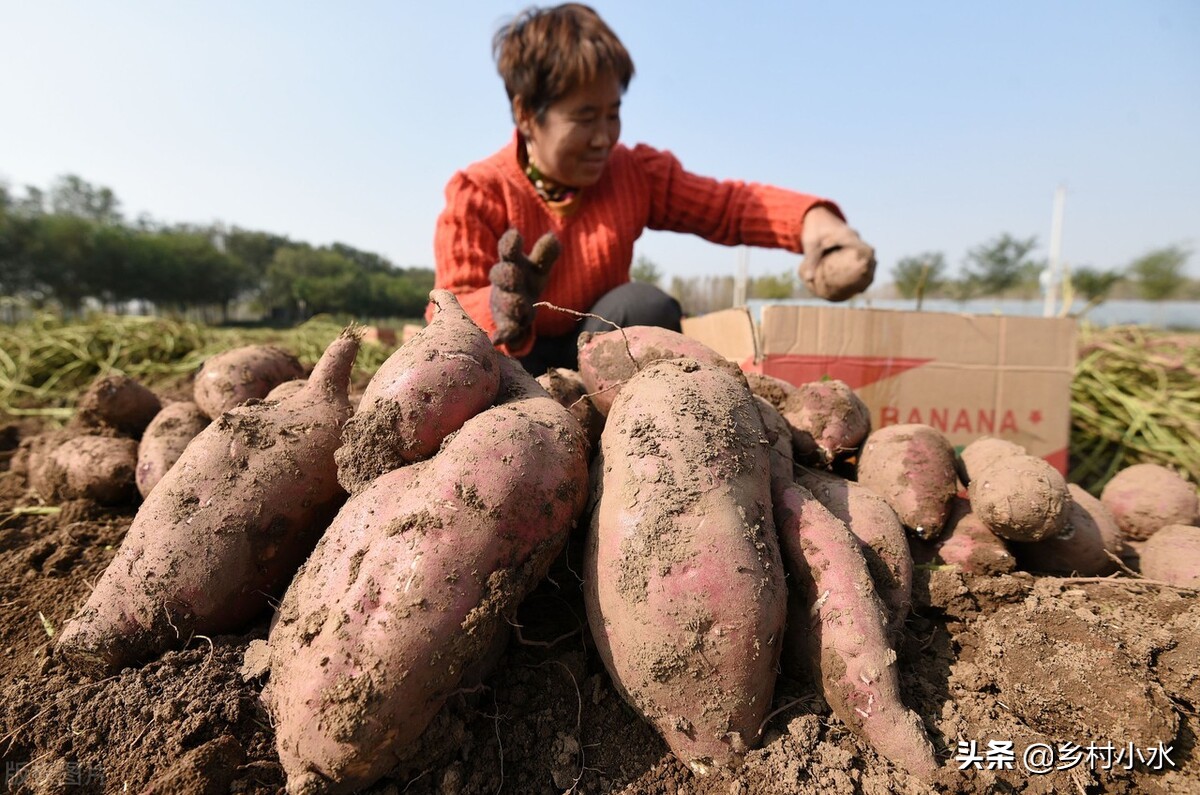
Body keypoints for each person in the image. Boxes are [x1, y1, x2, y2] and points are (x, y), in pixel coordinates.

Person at [431, 3, 875, 376]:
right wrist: (502, 307)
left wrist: (816, 225)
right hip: (509, 369)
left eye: (613, 114)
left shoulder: (632, 173)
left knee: (645, 306)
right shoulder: (479, 192)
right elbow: (446, 313)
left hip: (595, 362)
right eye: (585, 118)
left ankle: (623, 426)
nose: (604, 137)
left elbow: (731, 207)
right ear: (526, 113)